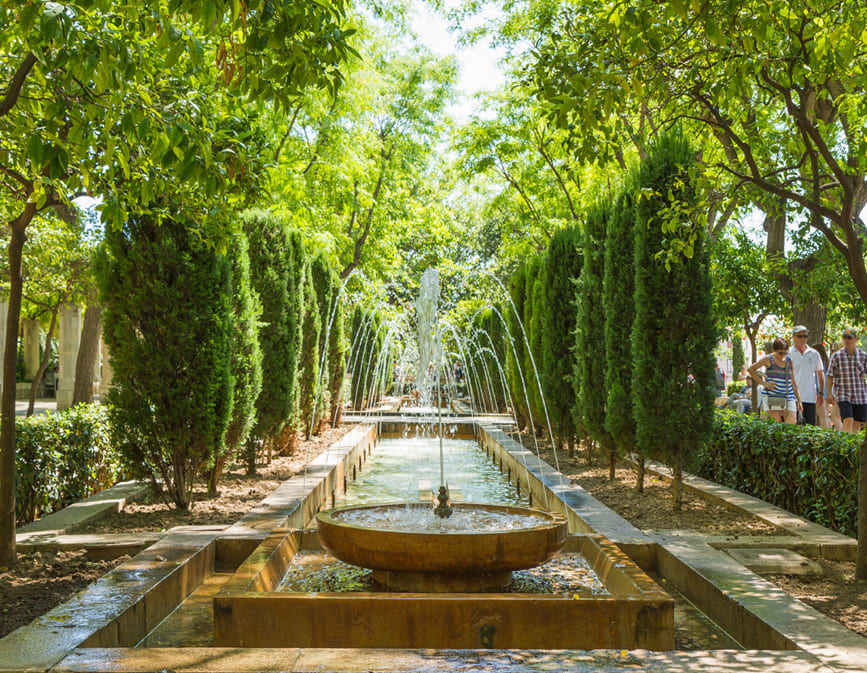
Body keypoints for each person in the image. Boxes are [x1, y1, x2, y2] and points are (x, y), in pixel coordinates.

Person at [748, 337, 802, 424]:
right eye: (780, 353)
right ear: (774, 350)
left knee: (792, 423)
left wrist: (799, 400)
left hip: (788, 396)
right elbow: (751, 369)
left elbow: (793, 382)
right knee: (777, 424)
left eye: (785, 352)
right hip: (772, 396)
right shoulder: (768, 359)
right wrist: (763, 383)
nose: (783, 355)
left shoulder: (789, 361)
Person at [826, 328, 867, 434]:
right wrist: (828, 393)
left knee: (857, 424)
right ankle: (844, 448)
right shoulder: (837, 356)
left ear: (856, 339)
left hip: (860, 395)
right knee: (848, 420)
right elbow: (830, 375)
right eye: (845, 337)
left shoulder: (863, 356)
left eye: (849, 338)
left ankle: (853, 448)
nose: (847, 340)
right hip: (843, 394)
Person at [787, 326, 825, 426]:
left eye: (805, 336)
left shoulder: (814, 353)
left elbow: (820, 374)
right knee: (793, 427)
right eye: (800, 336)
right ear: (794, 337)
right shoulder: (788, 353)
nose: (803, 339)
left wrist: (821, 393)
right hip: (792, 397)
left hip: (810, 397)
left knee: (810, 427)